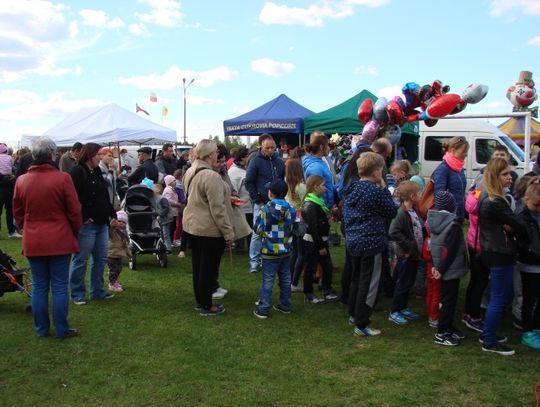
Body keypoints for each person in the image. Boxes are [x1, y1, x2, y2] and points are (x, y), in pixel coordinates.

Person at [12, 137, 82, 338]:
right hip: (59, 238)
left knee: (39, 286)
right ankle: (61, 329)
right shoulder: (62, 178)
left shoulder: (22, 180)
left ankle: (41, 329)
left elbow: (17, 212)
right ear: (52, 154)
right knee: (60, 286)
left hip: (34, 239)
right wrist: (73, 231)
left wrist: (26, 227)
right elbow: (74, 211)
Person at [344, 152, 397, 337]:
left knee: (357, 279)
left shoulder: (351, 188)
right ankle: (362, 323)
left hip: (354, 240)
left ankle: (353, 314)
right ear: (376, 172)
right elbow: (392, 211)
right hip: (371, 241)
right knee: (370, 283)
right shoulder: (375, 191)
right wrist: (384, 189)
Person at [478, 157, 528, 355]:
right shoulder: (496, 201)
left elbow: (512, 225)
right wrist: (512, 229)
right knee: (499, 298)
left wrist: (511, 228)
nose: (510, 177)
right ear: (495, 176)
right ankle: (489, 340)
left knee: (501, 296)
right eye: (505, 174)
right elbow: (519, 224)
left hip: (494, 250)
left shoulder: (489, 198)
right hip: (499, 252)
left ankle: (488, 333)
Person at [182, 139, 234, 316]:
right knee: (207, 269)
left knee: (199, 267)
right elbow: (217, 209)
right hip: (208, 229)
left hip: (193, 226)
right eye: (215, 152)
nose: (217, 155)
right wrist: (228, 233)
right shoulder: (210, 176)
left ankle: (201, 301)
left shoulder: (190, 170)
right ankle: (206, 305)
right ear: (211, 154)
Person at [69, 143, 118, 305]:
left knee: (100, 259)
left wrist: (112, 213)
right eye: (98, 154)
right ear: (89, 155)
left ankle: (97, 291)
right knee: (81, 259)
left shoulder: (97, 171)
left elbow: (103, 194)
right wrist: (84, 217)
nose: (100, 157)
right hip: (87, 225)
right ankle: (77, 293)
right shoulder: (77, 172)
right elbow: (72, 198)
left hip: (102, 223)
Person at [428, 191, 469, 346]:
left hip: (441, 266)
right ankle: (442, 332)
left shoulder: (434, 222)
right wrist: (441, 268)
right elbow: (450, 250)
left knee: (447, 299)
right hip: (448, 269)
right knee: (448, 302)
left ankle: (448, 327)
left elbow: (434, 246)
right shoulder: (454, 225)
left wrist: (434, 265)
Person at [253, 179, 297, 319]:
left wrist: (265, 233)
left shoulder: (266, 209)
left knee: (268, 280)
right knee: (285, 279)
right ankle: (285, 305)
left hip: (270, 251)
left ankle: (263, 308)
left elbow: (258, 228)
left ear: (270, 193)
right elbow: (298, 228)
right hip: (286, 250)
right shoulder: (291, 209)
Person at [245, 134, 285, 273]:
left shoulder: (279, 162)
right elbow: (248, 181)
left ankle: (268, 259)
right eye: (267, 148)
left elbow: (282, 179)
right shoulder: (255, 161)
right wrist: (256, 198)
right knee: (257, 232)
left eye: (272, 147)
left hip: (277, 203)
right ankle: (254, 261)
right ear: (261, 146)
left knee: (273, 231)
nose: (270, 150)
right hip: (261, 202)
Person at [388, 181, 423, 325]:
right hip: (406, 255)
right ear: (412, 196)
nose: (421, 195)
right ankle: (394, 311)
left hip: (414, 255)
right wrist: (409, 247)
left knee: (408, 282)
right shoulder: (401, 213)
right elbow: (393, 231)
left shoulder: (413, 211)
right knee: (403, 283)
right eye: (419, 193)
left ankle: (402, 307)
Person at [301, 175, 338, 303]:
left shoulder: (317, 202)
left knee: (327, 267)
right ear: (315, 187)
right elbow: (313, 227)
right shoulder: (311, 205)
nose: (325, 188)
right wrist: (320, 246)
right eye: (323, 185)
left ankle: (327, 289)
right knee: (310, 267)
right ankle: (308, 293)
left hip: (320, 240)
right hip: (313, 241)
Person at [515, 178, 540, 349]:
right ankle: (527, 331)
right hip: (529, 264)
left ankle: (537, 327)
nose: (538, 209)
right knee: (529, 298)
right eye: (536, 206)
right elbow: (524, 243)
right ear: (526, 200)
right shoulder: (522, 218)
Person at [432, 136, 468, 222]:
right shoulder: (443, 168)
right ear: (453, 150)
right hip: (448, 218)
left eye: (466, 152)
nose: (466, 154)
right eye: (464, 151)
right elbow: (439, 196)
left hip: (459, 216)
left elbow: (461, 194)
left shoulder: (459, 168)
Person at [284, 158, 307, 292]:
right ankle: (294, 281)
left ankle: (291, 280)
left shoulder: (287, 185)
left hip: (290, 220)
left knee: (294, 252)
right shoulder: (301, 186)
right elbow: (306, 205)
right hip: (300, 221)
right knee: (301, 253)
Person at [302, 132, 336, 209]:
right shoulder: (315, 167)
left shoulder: (320, 162)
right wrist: (325, 207)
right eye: (327, 146)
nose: (329, 148)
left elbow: (327, 184)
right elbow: (316, 191)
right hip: (321, 207)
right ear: (321, 147)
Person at [228, 147, 252, 250]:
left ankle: (249, 248)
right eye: (248, 156)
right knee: (241, 228)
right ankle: (240, 248)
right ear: (243, 158)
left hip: (248, 205)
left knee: (249, 228)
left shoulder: (245, 168)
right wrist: (237, 201)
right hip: (241, 205)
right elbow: (233, 190)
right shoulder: (233, 172)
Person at [107, 210, 131, 293]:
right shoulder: (113, 232)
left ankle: (114, 281)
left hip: (119, 256)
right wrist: (112, 224)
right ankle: (112, 283)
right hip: (111, 255)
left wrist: (129, 254)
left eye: (123, 222)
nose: (121, 223)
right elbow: (109, 228)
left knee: (118, 269)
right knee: (114, 270)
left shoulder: (124, 234)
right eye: (119, 221)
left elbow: (125, 246)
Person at [0, 143, 20, 238]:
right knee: (10, 210)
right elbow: (12, 167)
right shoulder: (10, 158)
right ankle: (11, 231)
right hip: (9, 185)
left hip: (1, 185)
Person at [154, 183, 174, 251]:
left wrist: (160, 215)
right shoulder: (156, 198)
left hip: (166, 219)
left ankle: (168, 249)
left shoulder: (162, 198)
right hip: (161, 219)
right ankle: (163, 248)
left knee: (165, 234)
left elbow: (166, 208)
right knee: (162, 234)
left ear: (158, 190)